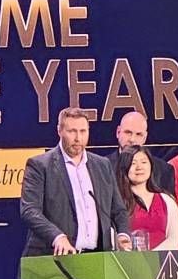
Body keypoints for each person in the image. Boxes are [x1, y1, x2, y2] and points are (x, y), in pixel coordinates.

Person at [21, 107, 130, 256]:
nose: (78, 138)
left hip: (98, 258)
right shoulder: (40, 165)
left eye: (83, 131)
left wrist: (123, 235)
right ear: (59, 131)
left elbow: (118, 210)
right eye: (72, 131)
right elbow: (30, 211)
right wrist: (57, 237)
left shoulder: (103, 165)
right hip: (54, 257)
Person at [115, 146, 178, 250]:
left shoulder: (167, 200)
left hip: (162, 258)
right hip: (128, 258)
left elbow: (174, 240)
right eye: (133, 163)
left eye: (144, 162)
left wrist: (151, 257)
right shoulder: (117, 202)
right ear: (124, 168)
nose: (139, 167)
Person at [107, 111, 176, 196]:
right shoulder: (101, 167)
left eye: (138, 134)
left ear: (144, 138)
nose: (132, 139)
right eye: (128, 132)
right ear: (118, 132)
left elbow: (168, 202)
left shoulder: (164, 170)